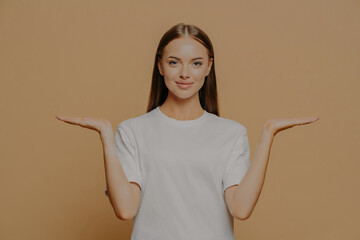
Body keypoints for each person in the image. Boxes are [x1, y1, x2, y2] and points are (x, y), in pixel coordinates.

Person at [56, 23, 319, 240]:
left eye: (195, 63)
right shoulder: (133, 130)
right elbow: (125, 209)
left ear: (208, 67)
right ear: (160, 66)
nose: (184, 73)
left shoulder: (231, 133)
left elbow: (240, 208)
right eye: (174, 62)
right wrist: (106, 136)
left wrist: (267, 135)